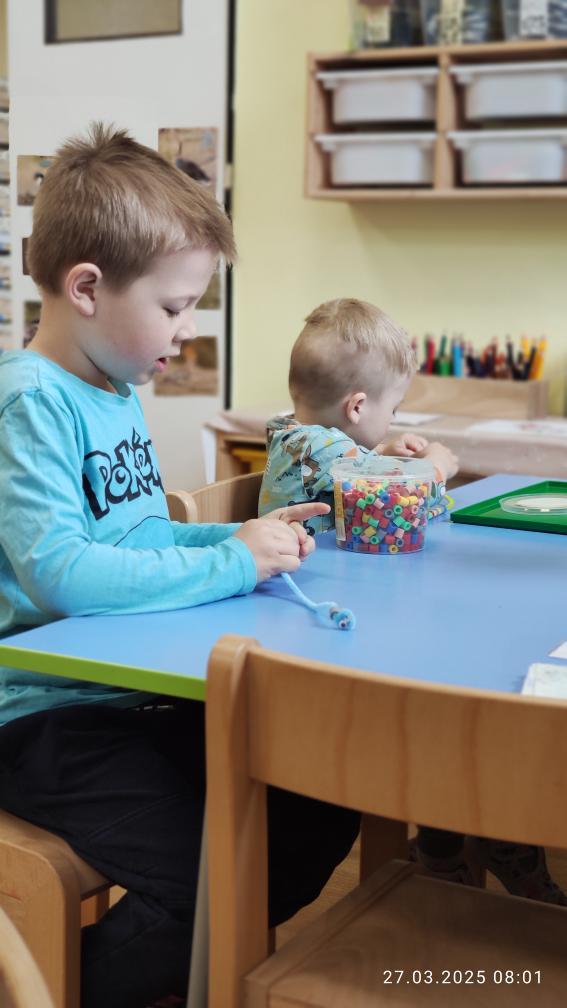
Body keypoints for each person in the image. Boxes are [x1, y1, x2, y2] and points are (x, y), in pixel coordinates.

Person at [0, 125, 360, 1008]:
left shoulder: (112, 390)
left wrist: (240, 538)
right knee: (219, 875)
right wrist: (233, 562)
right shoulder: (29, 401)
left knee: (317, 805)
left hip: (124, 693)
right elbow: (64, 574)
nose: (187, 328)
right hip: (40, 720)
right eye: (173, 306)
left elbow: (138, 537)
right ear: (87, 287)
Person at [259, 297, 566, 906]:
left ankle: (466, 838)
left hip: (357, 603)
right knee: (464, 686)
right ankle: (461, 839)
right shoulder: (314, 446)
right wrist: (433, 465)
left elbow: (370, 478)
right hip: (332, 638)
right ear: (357, 407)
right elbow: (406, 488)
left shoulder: (309, 438)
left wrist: (389, 452)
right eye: (392, 409)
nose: (394, 420)